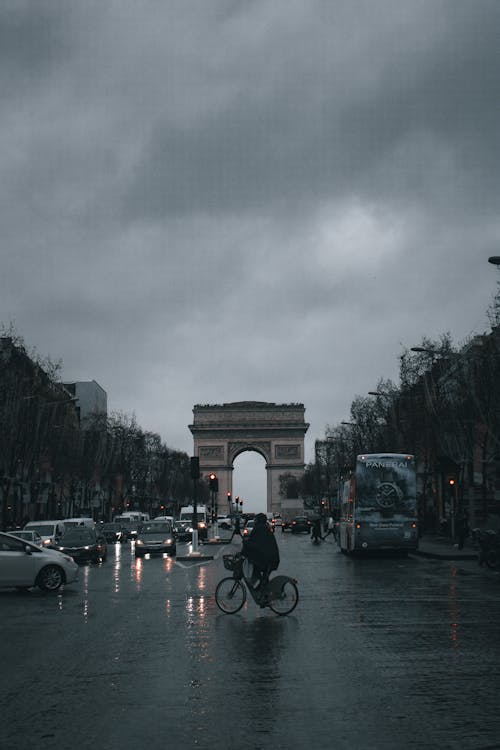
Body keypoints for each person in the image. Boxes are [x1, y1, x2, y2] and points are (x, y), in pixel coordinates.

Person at [241, 512, 279, 589]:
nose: (254, 521)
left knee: (256, 569)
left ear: (258, 520)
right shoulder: (265, 528)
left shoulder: (259, 529)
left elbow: (253, 543)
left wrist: (245, 543)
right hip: (272, 558)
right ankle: (263, 592)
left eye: (255, 520)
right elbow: (259, 543)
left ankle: (260, 590)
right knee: (263, 578)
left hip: (268, 559)